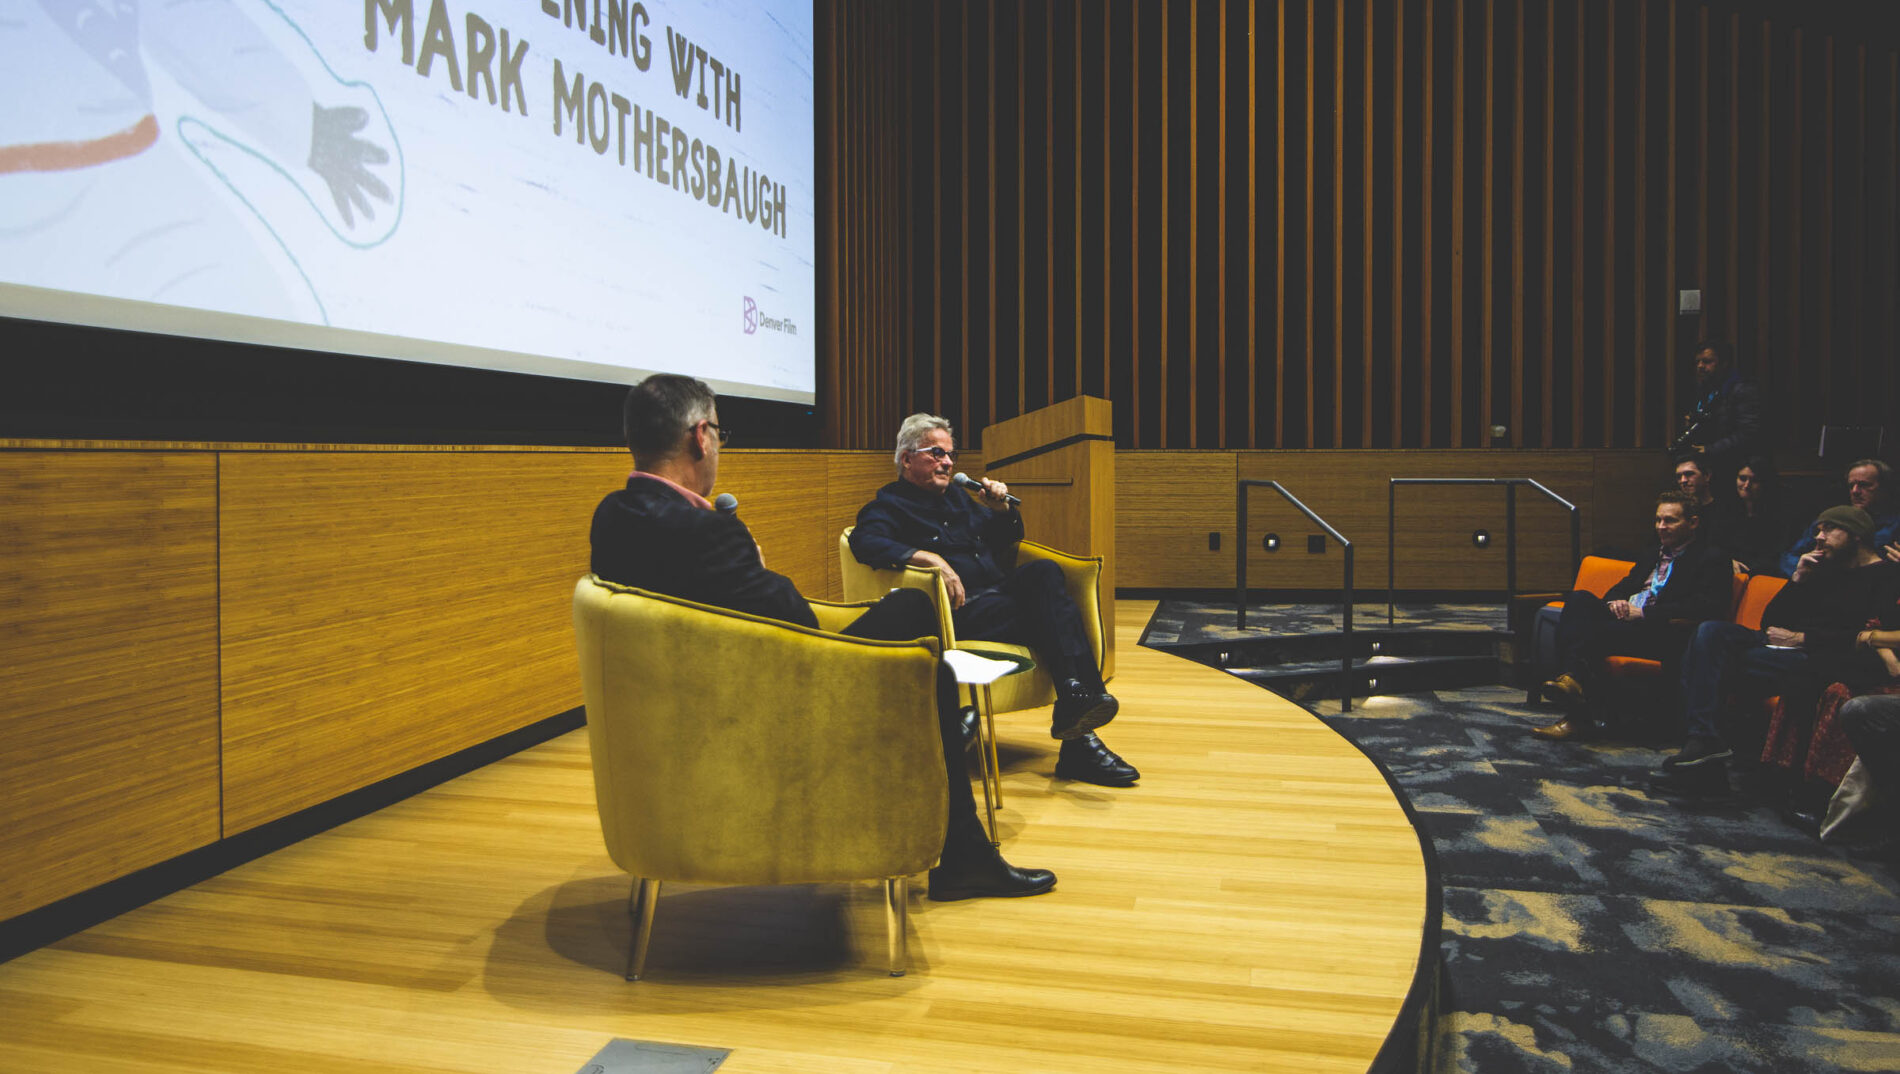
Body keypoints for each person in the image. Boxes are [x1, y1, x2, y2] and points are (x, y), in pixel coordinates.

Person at [590, 375, 1056, 901]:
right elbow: (797, 626)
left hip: (683, 715)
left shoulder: (612, 516)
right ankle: (963, 850)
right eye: (720, 432)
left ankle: (954, 789)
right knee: (918, 620)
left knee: (916, 628)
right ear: (700, 436)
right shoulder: (709, 532)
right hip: (769, 711)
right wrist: (762, 568)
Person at [848, 414, 1139, 787]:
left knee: (1046, 573)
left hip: (1001, 602)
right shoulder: (888, 505)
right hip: (961, 612)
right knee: (1054, 617)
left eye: (951, 455)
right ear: (907, 459)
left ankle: (1074, 698)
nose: (948, 463)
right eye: (936, 453)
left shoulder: (959, 498)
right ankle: (1080, 730)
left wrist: (1002, 510)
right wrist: (928, 557)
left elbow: (1004, 542)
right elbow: (865, 541)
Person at [1662, 505, 1900, 789]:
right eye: (1817, 530)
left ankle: (1706, 748)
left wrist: (1803, 639)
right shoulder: (1824, 567)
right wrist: (1798, 579)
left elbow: (1870, 633)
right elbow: (1771, 622)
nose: (1819, 538)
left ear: (1857, 535)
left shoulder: (1886, 576)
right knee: (1710, 633)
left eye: (1828, 529)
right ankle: (1704, 739)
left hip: (1821, 657)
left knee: (1708, 662)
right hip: (1783, 648)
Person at [1532, 492, 1732, 740]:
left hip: (1665, 632)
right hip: (1628, 623)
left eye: (1670, 521)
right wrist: (1615, 601)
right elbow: (1624, 586)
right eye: (1658, 520)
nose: (1661, 527)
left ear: (1693, 523)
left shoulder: (1711, 558)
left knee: (1589, 633)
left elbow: (1706, 606)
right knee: (1578, 599)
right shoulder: (1653, 553)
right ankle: (1572, 680)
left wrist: (1645, 612)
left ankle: (1576, 710)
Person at [1776, 459, 1900, 576]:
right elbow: (1789, 558)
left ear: (1885, 488)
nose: (1855, 491)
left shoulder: (1896, 525)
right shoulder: (1831, 520)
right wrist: (1807, 570)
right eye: (1851, 485)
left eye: (1864, 485)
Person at [1671, 338, 1763, 485]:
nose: (1700, 366)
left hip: (1739, 468)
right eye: (1698, 362)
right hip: (1714, 466)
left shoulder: (1743, 389)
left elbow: (1749, 433)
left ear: (1724, 363)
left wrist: (1709, 450)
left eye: (1707, 362)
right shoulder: (1708, 389)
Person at [1703, 456, 1796, 576]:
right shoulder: (1724, 509)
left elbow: (1775, 554)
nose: (1746, 485)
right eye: (1742, 478)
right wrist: (1728, 562)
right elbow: (1713, 544)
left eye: (1754, 480)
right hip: (1727, 569)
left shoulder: (1779, 514)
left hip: (1761, 573)